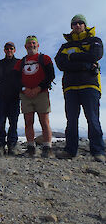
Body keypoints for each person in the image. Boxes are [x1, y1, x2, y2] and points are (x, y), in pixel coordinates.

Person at [55, 14, 105, 162]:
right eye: (74, 23)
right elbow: (60, 63)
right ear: (71, 26)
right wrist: (85, 65)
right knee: (71, 121)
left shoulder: (94, 41)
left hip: (90, 86)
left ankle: (98, 151)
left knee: (93, 119)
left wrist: (72, 58)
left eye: (80, 23)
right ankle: (70, 151)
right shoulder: (65, 46)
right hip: (70, 88)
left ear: (85, 25)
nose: (77, 25)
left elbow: (96, 55)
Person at [13, 35, 55, 158]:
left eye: (33, 43)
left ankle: (47, 147)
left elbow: (50, 75)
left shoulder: (45, 58)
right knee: (28, 121)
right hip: (25, 95)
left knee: (44, 121)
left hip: (41, 93)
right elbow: (15, 79)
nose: (31, 45)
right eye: (29, 44)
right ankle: (31, 148)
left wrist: (39, 87)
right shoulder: (21, 62)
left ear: (37, 45)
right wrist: (24, 89)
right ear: (25, 46)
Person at [0, 42, 20, 156]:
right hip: (2, 98)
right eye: (7, 49)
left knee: (14, 122)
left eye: (11, 49)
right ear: (4, 50)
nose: (9, 50)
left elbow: (23, 78)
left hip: (15, 98)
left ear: (14, 50)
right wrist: (0, 88)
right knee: (0, 122)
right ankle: (1, 145)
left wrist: (19, 89)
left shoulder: (19, 63)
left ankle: (12, 146)